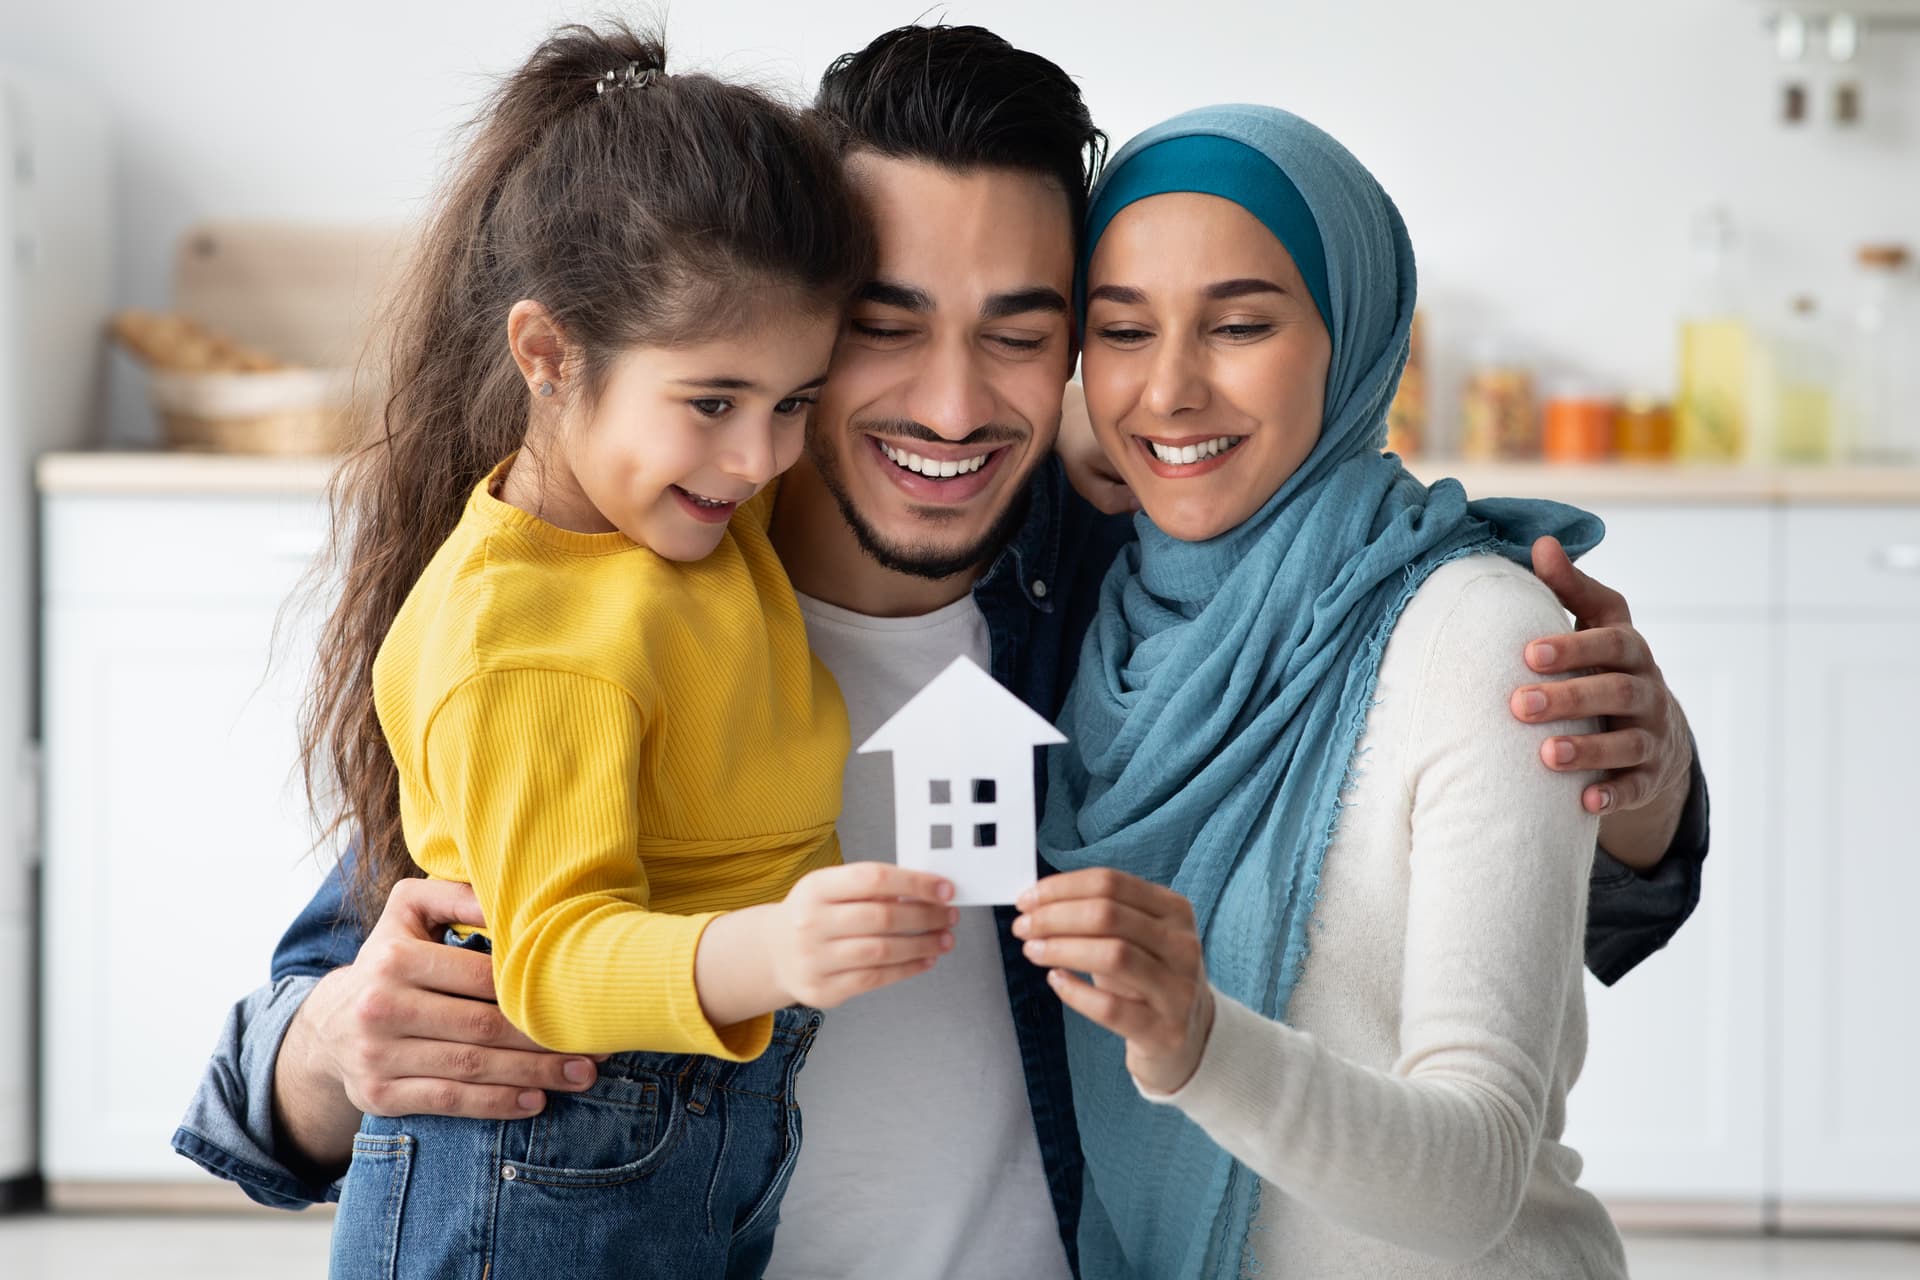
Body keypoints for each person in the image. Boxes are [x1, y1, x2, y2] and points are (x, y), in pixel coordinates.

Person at [176, 26, 1709, 1280]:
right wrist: (331, 1049)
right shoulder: (620, 611)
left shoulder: (1124, 605)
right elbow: (286, 1065)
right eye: (884, 323)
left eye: (1024, 332)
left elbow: (1431, 891)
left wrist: (1643, 791)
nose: (956, 403)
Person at [303, 23, 957, 1279]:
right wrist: (774, 950)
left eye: (793, 403)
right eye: (715, 401)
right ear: (548, 357)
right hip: (545, 1165)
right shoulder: (526, 645)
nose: (763, 459)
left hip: (668, 1136)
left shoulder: (674, 510)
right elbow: (549, 960)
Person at [1023, 104, 1631, 1276]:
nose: (1172, 389)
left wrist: (1201, 1040)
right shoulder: (1105, 617)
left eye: (1241, 324)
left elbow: (1480, 1172)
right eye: (1124, 332)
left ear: (1351, 331)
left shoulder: (1476, 633)